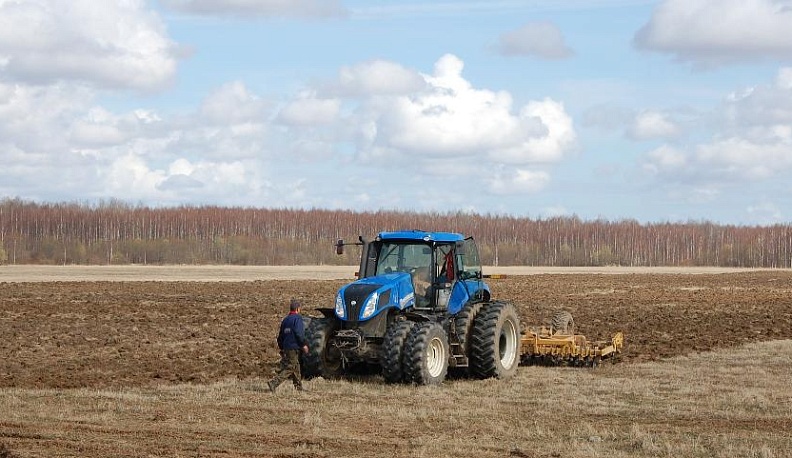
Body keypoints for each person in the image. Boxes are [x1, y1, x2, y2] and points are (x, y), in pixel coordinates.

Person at [267, 299, 309, 393]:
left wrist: (282, 347)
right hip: (294, 346)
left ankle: (299, 388)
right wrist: (303, 344)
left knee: (296, 366)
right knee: (291, 367)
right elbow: (299, 333)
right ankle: (274, 383)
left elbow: (280, 336)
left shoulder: (285, 320)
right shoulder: (297, 319)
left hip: (287, 347)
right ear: (298, 309)